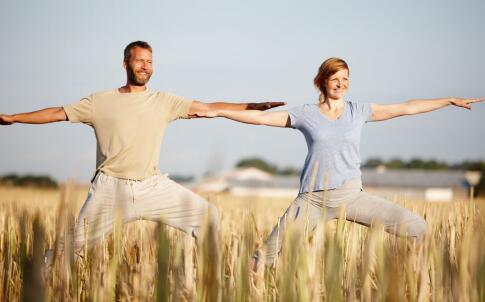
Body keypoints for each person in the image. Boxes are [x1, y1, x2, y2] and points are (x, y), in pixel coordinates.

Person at [0, 41, 284, 264]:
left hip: (152, 186)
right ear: (126, 63)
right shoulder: (100, 102)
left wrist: (251, 105)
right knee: (68, 252)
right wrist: (14, 117)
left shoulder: (164, 101)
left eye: (150, 62)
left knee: (209, 217)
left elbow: (208, 108)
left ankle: (213, 281)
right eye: (140, 60)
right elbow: (57, 113)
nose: (145, 66)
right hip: (111, 190)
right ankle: (34, 285)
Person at [190, 57, 483, 267]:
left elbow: (406, 107)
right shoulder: (305, 114)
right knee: (265, 256)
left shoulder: (359, 111)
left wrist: (447, 100)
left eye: (345, 79)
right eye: (335, 79)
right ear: (322, 81)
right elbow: (260, 118)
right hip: (312, 201)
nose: (341, 84)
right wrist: (219, 111)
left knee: (418, 228)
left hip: (351, 196)